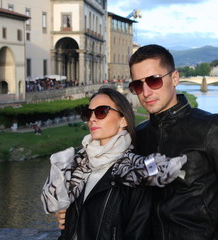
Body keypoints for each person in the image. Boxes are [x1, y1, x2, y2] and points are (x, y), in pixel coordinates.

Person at [127, 44, 218, 240]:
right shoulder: (139, 136)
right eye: (138, 85)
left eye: (154, 81)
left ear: (175, 78)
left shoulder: (211, 128)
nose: (145, 92)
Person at [41, 87, 186, 240]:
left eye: (101, 111)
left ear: (123, 120)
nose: (92, 119)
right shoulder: (75, 166)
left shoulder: (137, 175)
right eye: (88, 113)